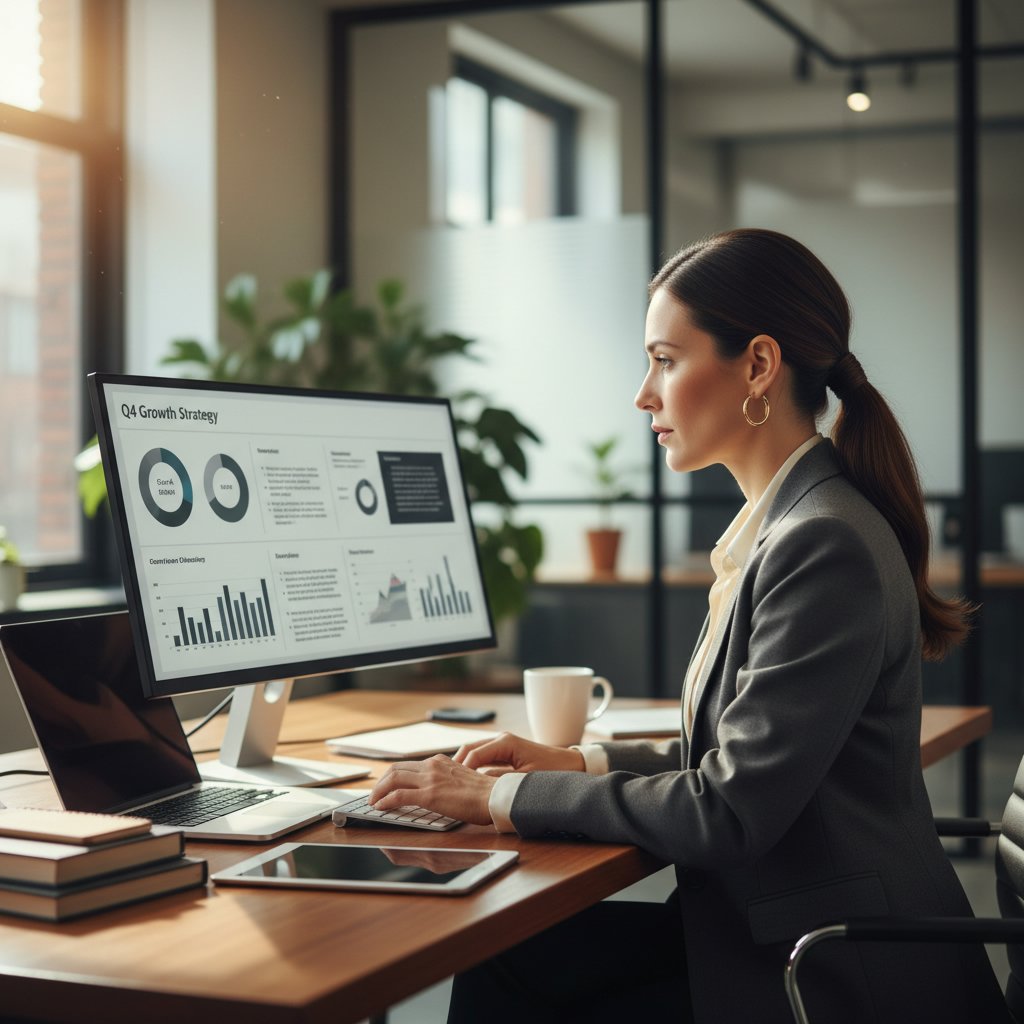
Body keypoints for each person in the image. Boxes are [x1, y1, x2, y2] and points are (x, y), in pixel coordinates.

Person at [368, 228, 1010, 1023]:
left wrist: (503, 795)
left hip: (828, 969)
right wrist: (578, 760)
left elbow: (729, 809)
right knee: (510, 960)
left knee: (508, 973)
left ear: (759, 366)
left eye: (666, 361)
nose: (644, 393)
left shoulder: (822, 542)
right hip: (783, 927)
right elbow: (742, 757)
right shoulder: (793, 523)